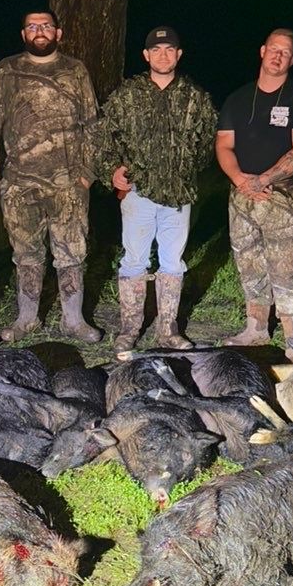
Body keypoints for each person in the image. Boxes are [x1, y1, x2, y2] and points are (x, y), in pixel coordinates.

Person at [93, 27, 216, 354]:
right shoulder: (127, 94)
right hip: (138, 195)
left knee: (172, 262)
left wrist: (183, 172)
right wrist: (112, 172)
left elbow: (206, 145)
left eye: (169, 49)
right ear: (146, 56)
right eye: (156, 50)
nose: (163, 55)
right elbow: (103, 139)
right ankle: (129, 328)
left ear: (179, 54)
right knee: (134, 261)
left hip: (179, 196)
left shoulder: (195, 97)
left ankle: (167, 329)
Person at [0, 9, 101, 342]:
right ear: (24, 34)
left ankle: (73, 320)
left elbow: (92, 124)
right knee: (26, 254)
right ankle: (26, 319)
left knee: (71, 253)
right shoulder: (7, 70)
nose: (39, 31)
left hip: (68, 184)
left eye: (46, 26)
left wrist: (87, 174)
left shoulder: (74, 70)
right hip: (20, 184)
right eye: (32, 27)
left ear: (58, 33)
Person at [215, 29, 293, 358]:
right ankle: (256, 329)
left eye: (285, 52)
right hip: (241, 195)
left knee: (284, 269)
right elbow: (224, 144)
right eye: (273, 49)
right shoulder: (238, 98)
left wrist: (265, 180)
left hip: (280, 197)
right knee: (248, 263)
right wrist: (240, 179)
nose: (277, 56)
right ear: (262, 51)